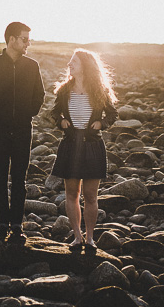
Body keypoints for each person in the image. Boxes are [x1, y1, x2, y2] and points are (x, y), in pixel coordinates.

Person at [0, 21, 46, 241]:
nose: (28, 44)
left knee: (20, 179)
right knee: (1, 177)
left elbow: (39, 95)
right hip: (0, 129)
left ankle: (17, 225)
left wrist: (29, 112)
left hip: (24, 128)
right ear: (12, 39)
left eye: (29, 40)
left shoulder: (32, 66)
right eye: (25, 39)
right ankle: (2, 224)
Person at [49, 48, 118, 252]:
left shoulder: (99, 90)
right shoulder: (64, 90)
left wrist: (101, 124)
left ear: (85, 66)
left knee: (90, 196)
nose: (70, 65)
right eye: (70, 62)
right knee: (71, 193)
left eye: (74, 62)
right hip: (70, 144)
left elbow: (113, 114)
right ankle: (77, 237)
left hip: (92, 145)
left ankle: (90, 238)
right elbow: (54, 112)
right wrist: (60, 121)